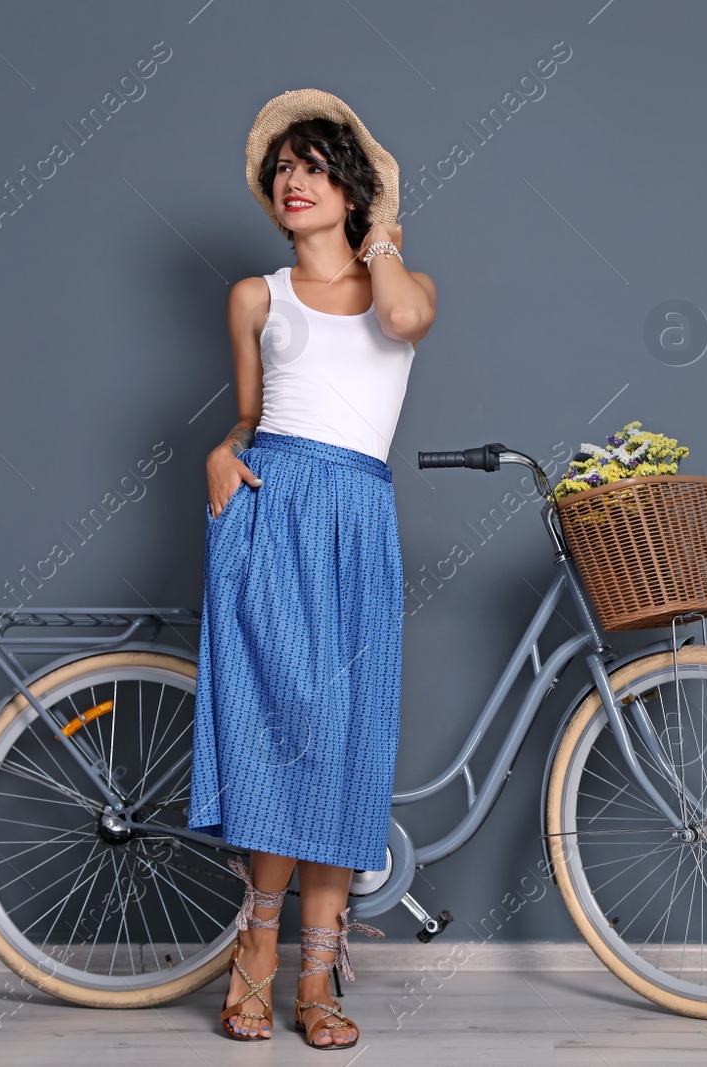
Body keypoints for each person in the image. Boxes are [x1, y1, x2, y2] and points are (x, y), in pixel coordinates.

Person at [187, 89, 436, 1049]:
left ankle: (319, 970)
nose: (293, 181)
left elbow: (407, 319)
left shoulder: (399, 286)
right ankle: (259, 953)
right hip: (271, 507)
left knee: (345, 736)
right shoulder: (258, 295)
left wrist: (381, 240)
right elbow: (253, 416)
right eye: (283, 168)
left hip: (358, 517)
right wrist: (221, 449)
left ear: (351, 187)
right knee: (279, 729)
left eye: (314, 165)